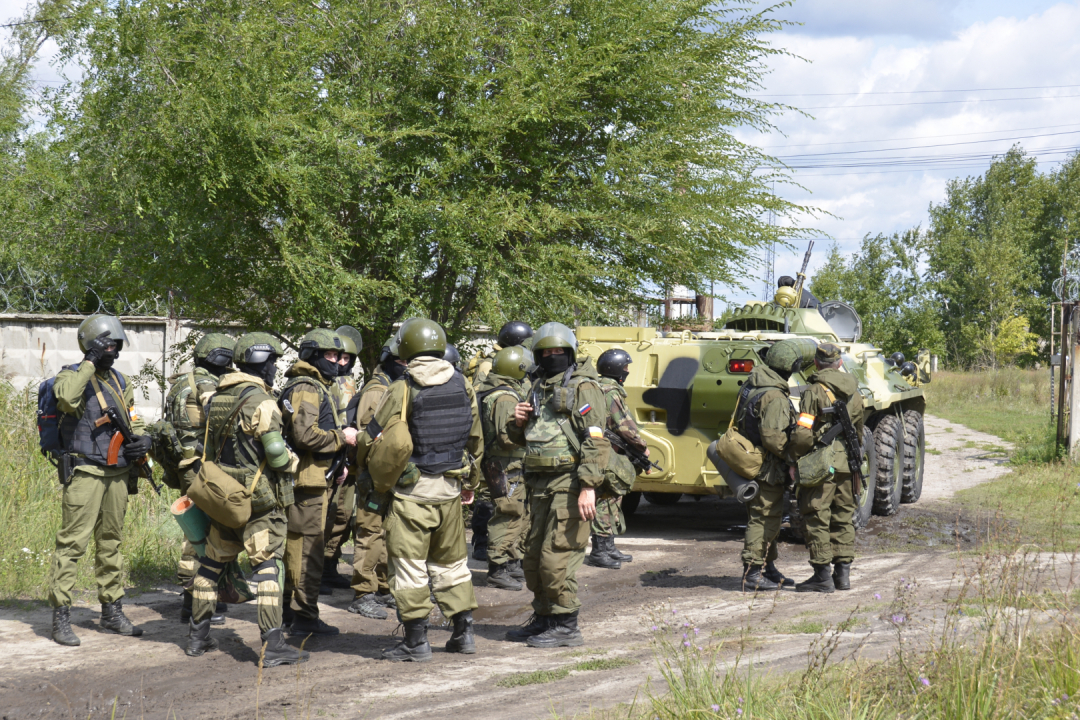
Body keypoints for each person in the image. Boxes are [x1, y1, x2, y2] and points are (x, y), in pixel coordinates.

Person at [361, 318, 484, 662]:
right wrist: (469, 483)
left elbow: (373, 434)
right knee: (453, 564)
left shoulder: (402, 387)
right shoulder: (463, 384)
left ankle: (416, 641)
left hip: (412, 493)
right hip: (450, 489)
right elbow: (475, 438)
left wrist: (363, 460)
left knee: (410, 567)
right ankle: (464, 633)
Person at [185, 332, 308, 666]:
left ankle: (197, 637)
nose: (275, 369)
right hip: (258, 502)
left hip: (223, 497)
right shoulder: (261, 401)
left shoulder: (217, 396)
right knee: (268, 567)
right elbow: (275, 452)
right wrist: (293, 463)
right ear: (261, 362)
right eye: (272, 362)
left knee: (210, 565)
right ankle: (273, 646)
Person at [506, 322, 611, 648]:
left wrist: (589, 486)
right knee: (533, 558)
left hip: (569, 482)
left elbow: (595, 439)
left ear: (570, 353)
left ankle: (566, 624)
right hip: (539, 484)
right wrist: (518, 422)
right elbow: (522, 439)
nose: (552, 357)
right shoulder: (537, 386)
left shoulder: (582, 388)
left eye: (558, 352)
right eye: (546, 352)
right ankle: (545, 618)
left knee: (557, 558)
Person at [48, 314, 151, 647]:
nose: (114, 351)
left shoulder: (121, 381)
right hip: (85, 472)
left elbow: (133, 417)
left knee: (112, 543)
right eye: (107, 345)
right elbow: (66, 399)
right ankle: (61, 616)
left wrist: (143, 439)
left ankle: (111, 610)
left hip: (117, 473)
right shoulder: (70, 376)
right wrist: (89, 363)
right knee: (72, 544)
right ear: (91, 345)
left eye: (116, 345)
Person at [279, 328, 357, 636]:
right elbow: (305, 436)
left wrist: (338, 464)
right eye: (329, 356)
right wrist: (343, 437)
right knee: (306, 549)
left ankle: (291, 610)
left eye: (338, 356)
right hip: (307, 483)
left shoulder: (317, 386)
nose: (337, 362)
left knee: (303, 547)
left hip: (318, 477)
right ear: (312, 355)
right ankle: (303, 615)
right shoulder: (308, 388)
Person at [164, 332, 235, 626]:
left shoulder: (180, 382)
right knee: (201, 535)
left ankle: (194, 599)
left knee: (194, 530)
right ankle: (195, 602)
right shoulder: (206, 385)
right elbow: (221, 419)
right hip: (202, 468)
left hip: (185, 465)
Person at [790, 343, 865, 593]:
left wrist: (795, 459)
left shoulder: (813, 391)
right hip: (848, 462)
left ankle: (822, 576)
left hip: (822, 463)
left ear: (817, 364)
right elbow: (859, 431)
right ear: (840, 363)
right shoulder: (856, 391)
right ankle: (842, 576)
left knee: (817, 516)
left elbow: (802, 433)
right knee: (844, 517)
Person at [734, 339, 803, 592]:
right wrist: (793, 458)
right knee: (763, 518)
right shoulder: (774, 395)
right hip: (767, 465)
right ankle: (752, 572)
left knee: (771, 516)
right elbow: (773, 437)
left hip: (756, 459)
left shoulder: (753, 384)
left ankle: (767, 568)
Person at [345, 336, 401, 620]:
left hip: (387, 473)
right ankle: (362, 593)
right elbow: (368, 436)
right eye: (402, 361)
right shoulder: (377, 390)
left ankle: (382, 588)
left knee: (387, 532)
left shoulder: (392, 388)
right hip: (372, 474)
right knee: (369, 532)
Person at [468, 320, 534, 561]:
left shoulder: (503, 377)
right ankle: (489, 550)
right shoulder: (500, 384)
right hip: (501, 458)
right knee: (501, 507)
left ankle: (504, 555)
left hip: (499, 456)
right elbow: (504, 433)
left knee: (506, 508)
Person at [586, 348, 646, 570]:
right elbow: (624, 426)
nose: (628, 371)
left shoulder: (598, 387)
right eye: (626, 367)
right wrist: (642, 447)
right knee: (607, 497)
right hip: (606, 451)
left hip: (603, 449)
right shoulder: (611, 392)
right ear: (617, 369)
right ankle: (600, 550)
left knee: (612, 495)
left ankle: (608, 546)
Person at [321, 326, 363, 593]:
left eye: (347, 360)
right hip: (334, 458)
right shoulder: (332, 384)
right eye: (338, 358)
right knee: (332, 515)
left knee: (342, 516)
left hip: (343, 458)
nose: (342, 364)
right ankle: (322, 570)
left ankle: (329, 567)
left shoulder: (348, 383)